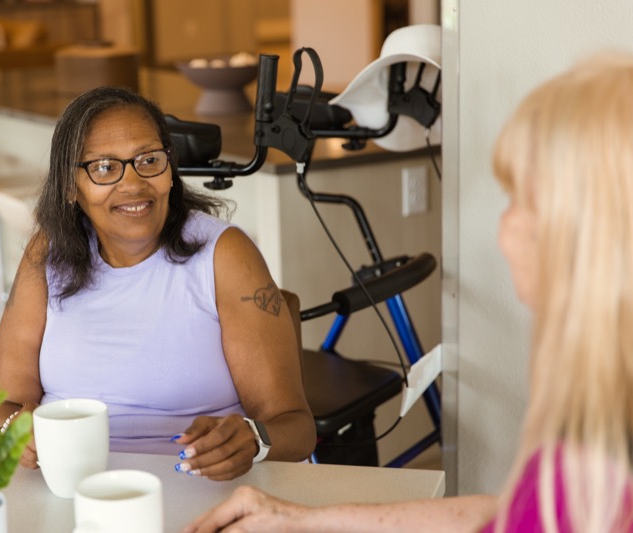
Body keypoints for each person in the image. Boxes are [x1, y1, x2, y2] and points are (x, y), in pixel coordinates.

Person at [183, 52, 633, 531]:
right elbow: (528, 512)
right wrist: (303, 518)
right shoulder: (598, 433)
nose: (506, 228)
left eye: (523, 201)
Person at [0, 86, 316, 481]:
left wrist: (253, 438)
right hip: (70, 489)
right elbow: (4, 405)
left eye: (149, 160)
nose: (134, 184)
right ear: (70, 186)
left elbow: (297, 428)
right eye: (105, 167)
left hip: (195, 490)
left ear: (170, 168)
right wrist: (14, 432)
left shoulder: (225, 255)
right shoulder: (47, 255)